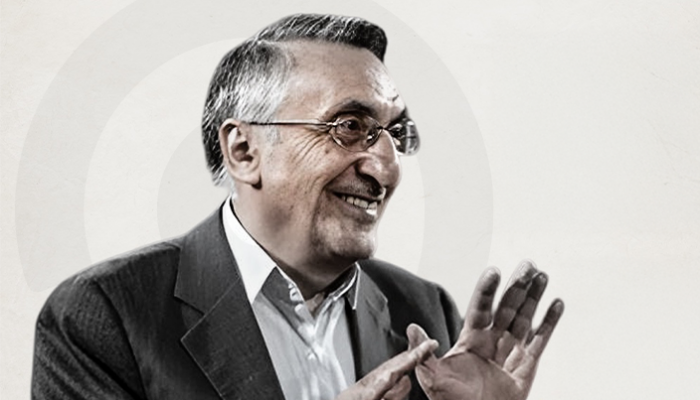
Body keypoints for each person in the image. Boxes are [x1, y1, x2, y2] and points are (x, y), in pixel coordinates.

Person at [31, 14, 564, 400]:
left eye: (394, 134)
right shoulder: (104, 317)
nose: (386, 168)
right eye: (350, 126)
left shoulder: (424, 312)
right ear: (244, 151)